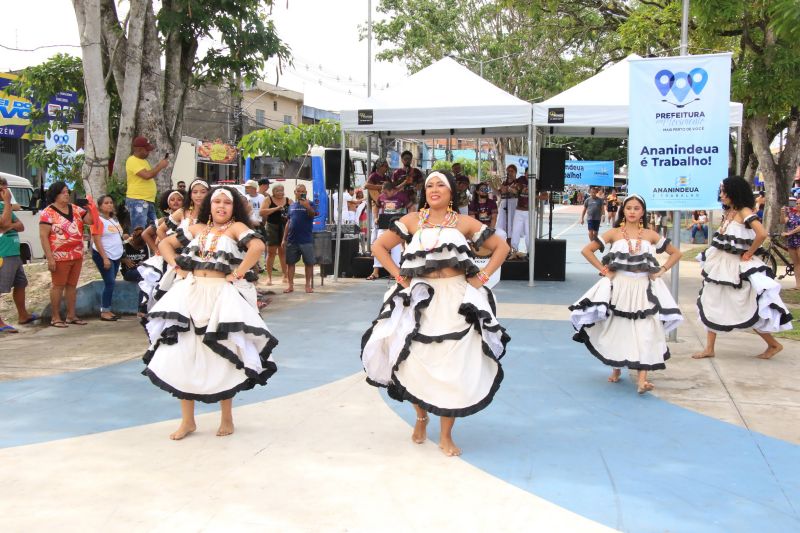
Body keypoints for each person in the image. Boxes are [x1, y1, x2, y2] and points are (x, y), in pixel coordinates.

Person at [362, 171, 510, 457]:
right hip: (421, 299)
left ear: (452, 191)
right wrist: (399, 277)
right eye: (429, 184)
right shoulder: (412, 220)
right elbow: (379, 247)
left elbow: (501, 246)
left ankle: (445, 435)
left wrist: (483, 276)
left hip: (455, 298)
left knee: (452, 366)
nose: (434, 189)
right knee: (414, 361)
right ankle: (420, 417)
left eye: (440, 184)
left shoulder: (465, 223)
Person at [143, 186, 276, 440]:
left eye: (227, 202)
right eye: (217, 202)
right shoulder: (196, 228)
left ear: (234, 206)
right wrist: (178, 269)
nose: (221, 206)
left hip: (220, 296)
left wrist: (236, 274)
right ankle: (187, 421)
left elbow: (257, 246)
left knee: (221, 354)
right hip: (190, 293)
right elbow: (165, 243)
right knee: (183, 352)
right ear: (209, 205)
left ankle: (227, 418)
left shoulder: (237, 228)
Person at [569, 195, 683, 393]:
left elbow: (676, 253)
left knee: (646, 330)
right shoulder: (613, 233)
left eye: (636, 208)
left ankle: (642, 380)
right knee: (618, 327)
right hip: (620, 287)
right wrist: (603, 269)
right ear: (623, 210)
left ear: (643, 212)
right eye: (628, 208)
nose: (632, 211)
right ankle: (616, 368)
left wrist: (662, 270)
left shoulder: (651, 234)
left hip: (644, 289)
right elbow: (587, 250)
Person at [692, 177, 793, 360]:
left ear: (734, 192)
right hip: (721, 267)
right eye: (721, 191)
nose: (721, 195)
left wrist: (749, 252)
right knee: (710, 300)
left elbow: (762, 233)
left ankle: (773, 344)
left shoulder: (744, 211)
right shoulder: (730, 212)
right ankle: (709, 348)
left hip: (736, 269)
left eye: (725, 191)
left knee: (747, 306)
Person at [38, 181, 93, 328]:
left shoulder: (75, 208)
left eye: (67, 191)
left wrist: (90, 208)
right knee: (58, 286)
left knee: (72, 286)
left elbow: (90, 221)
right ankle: (55, 317)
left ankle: (71, 315)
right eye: (63, 192)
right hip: (59, 255)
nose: (67, 194)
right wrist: (50, 258)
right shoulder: (47, 213)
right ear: (55, 194)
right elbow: (43, 236)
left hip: (76, 254)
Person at [0, 177, 37, 333]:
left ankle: (23, 315)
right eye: (3, 188)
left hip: (14, 252)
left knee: (21, 283)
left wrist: (9, 224)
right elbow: (3, 224)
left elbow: (20, 226)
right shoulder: (5, 205)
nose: (6, 191)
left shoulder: (3, 206)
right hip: (3, 253)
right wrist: (8, 203)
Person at [367, 180, 413, 280]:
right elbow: (376, 206)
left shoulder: (402, 196)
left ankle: (394, 272)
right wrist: (375, 217)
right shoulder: (381, 197)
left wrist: (408, 220)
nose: (384, 194)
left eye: (386, 192)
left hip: (396, 225)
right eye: (383, 192)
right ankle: (375, 271)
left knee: (396, 249)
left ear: (392, 190)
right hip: (383, 224)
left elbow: (411, 207)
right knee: (377, 246)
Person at [91, 195, 125, 322]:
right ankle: (104, 311)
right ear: (100, 206)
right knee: (109, 282)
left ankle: (108, 309)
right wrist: (104, 258)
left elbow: (117, 235)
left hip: (116, 255)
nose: (109, 205)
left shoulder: (113, 219)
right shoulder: (98, 220)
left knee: (111, 283)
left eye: (111, 202)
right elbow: (97, 240)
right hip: (105, 255)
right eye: (106, 203)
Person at [125, 136, 169, 231]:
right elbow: (147, 175)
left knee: (153, 228)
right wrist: (160, 166)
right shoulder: (132, 160)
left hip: (147, 200)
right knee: (139, 230)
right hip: (138, 200)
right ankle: (138, 245)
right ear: (139, 149)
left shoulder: (143, 161)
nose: (149, 152)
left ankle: (146, 245)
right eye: (147, 150)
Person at [282, 183, 316, 294]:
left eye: (303, 191)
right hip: (292, 240)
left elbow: (312, 215)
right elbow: (288, 222)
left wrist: (307, 207)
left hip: (306, 240)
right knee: (290, 263)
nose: (301, 193)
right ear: (295, 193)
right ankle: (290, 286)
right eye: (299, 191)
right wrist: (284, 238)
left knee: (309, 263)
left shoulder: (310, 204)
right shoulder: (292, 206)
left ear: (306, 192)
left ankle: (307, 285)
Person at [259, 184, 292, 285]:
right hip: (272, 227)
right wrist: (276, 209)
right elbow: (262, 212)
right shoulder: (268, 199)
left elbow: (294, 211)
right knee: (271, 252)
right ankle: (269, 277)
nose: (280, 192)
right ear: (273, 192)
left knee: (283, 252)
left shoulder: (288, 200)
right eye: (277, 190)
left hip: (284, 227)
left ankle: (285, 275)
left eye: (282, 190)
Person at [495, 164, 518, 242]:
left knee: (511, 226)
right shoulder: (504, 182)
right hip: (504, 204)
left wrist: (498, 182)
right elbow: (499, 193)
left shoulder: (517, 182)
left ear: (515, 172)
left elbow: (506, 190)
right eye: (508, 171)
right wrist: (491, 184)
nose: (510, 173)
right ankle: (504, 246)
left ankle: (511, 247)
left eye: (512, 171)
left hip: (513, 204)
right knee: (503, 225)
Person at [510, 171, 530, 257]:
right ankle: (514, 251)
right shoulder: (520, 179)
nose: (528, 175)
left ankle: (530, 252)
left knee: (529, 233)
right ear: (525, 173)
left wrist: (534, 196)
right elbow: (512, 188)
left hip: (530, 211)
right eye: (527, 173)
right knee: (515, 231)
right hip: (519, 210)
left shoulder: (536, 182)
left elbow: (545, 196)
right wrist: (512, 189)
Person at [781, 205, 800, 290]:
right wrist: (782, 213)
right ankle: (798, 285)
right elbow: (783, 221)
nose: (798, 205)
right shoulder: (792, 214)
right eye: (797, 203)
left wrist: (790, 233)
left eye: (799, 203)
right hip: (792, 241)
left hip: (798, 240)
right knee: (796, 263)